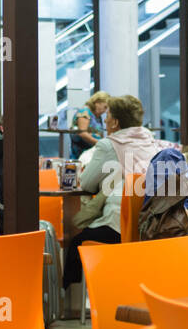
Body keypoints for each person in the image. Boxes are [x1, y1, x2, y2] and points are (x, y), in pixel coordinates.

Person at [63, 95, 172, 288]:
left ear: (115, 122)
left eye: (108, 115)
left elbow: (87, 183)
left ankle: (71, 305)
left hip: (119, 225)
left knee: (76, 244)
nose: (104, 120)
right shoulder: (152, 142)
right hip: (150, 226)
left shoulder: (109, 145)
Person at [70, 91, 109, 159]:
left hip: (93, 153)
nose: (105, 111)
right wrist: (100, 143)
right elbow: (82, 133)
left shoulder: (97, 116)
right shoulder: (84, 112)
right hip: (82, 154)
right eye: (105, 107)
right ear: (97, 102)